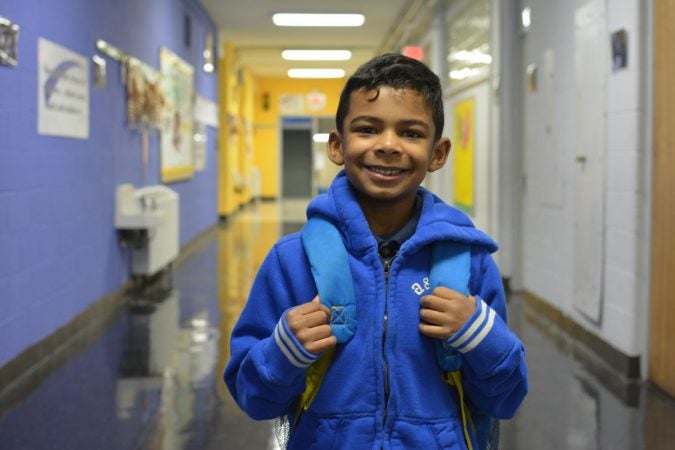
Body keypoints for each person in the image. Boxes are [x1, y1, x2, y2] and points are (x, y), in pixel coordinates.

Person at [224, 53, 528, 449]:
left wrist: (481, 336)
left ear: (438, 153)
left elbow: (504, 400)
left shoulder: (469, 262)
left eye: (412, 133)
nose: (388, 145)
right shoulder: (292, 261)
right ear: (337, 145)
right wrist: (283, 350)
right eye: (368, 128)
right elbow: (255, 399)